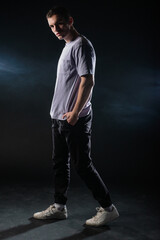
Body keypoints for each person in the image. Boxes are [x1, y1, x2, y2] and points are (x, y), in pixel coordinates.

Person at [33, 6, 119, 227]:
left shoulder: (81, 45)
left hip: (74, 119)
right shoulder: (68, 45)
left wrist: (75, 114)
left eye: (59, 23)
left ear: (70, 20)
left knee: (83, 165)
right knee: (59, 163)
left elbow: (87, 81)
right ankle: (59, 207)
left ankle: (108, 208)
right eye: (52, 26)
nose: (56, 29)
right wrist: (60, 114)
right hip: (59, 117)